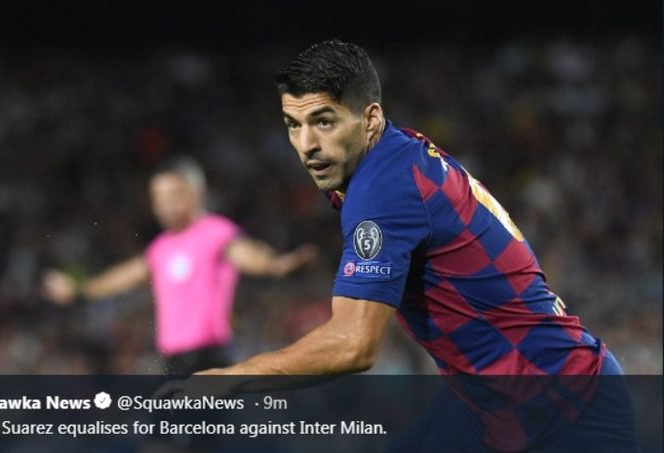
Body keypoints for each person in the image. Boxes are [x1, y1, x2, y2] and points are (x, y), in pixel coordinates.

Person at [157, 41, 639, 451]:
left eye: (324, 121)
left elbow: (353, 345)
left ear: (369, 119)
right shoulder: (389, 156)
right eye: (292, 125)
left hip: (563, 408)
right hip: (493, 400)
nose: (307, 144)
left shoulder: (382, 190)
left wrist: (228, 379)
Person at [43, 156, 317, 374]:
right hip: (174, 361)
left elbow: (247, 254)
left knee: (173, 442)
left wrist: (277, 265)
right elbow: (125, 276)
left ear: (196, 192)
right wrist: (80, 290)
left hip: (209, 357)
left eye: (174, 195)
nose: (165, 205)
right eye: (158, 198)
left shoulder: (215, 232)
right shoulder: (161, 247)